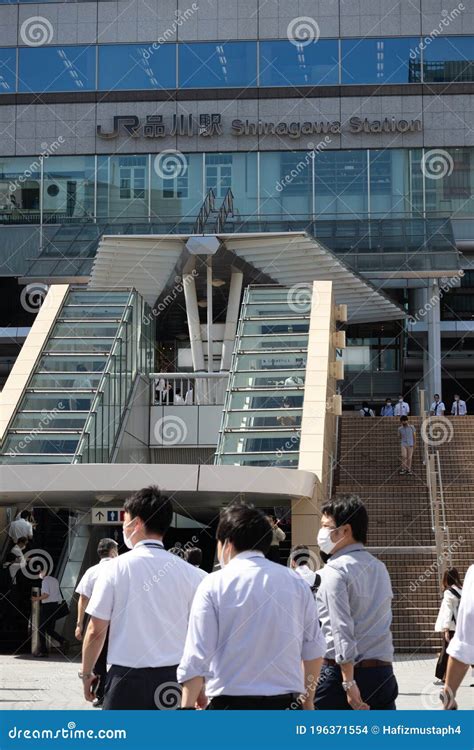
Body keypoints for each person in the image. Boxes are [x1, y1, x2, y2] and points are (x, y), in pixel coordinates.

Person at [178, 503, 326, 710]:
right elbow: (313, 648)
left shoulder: (214, 583)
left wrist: (186, 706)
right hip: (285, 703)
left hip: (229, 705)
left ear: (227, 543)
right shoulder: (296, 583)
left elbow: (197, 653)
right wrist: (308, 701)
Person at [80, 486, 203, 710]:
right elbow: (201, 635)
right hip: (173, 680)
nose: (123, 526)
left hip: (125, 681)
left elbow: (95, 630)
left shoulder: (114, 569)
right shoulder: (193, 575)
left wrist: (86, 673)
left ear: (136, 523)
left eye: (124, 520)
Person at [315, 495, 398, 710]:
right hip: (382, 673)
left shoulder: (333, 572)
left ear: (345, 530)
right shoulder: (380, 567)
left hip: (341, 675)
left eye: (326, 526)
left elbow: (341, 629)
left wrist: (348, 682)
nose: (321, 532)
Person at [75, 538, 119, 707]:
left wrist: (79, 623)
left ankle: (101, 694)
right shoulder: (120, 568)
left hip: (94, 618)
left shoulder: (91, 571)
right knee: (119, 657)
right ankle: (115, 692)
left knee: (99, 659)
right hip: (118, 618)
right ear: (113, 551)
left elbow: (83, 598)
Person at [442, 564, 474, 709]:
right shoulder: (461, 589)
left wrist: (449, 694)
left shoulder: (472, 575)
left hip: (455, 627)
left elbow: (465, 642)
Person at [434, 568, 463, 685]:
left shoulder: (448, 592)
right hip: (463, 626)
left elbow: (448, 611)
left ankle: (443, 677)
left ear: (446, 579)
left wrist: (446, 629)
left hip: (452, 627)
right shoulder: (463, 590)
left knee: (446, 652)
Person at [32, 569, 69, 658]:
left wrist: (36, 599)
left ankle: (43, 651)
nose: (39, 574)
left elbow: (46, 595)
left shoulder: (45, 581)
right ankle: (63, 641)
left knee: (41, 628)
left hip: (47, 607)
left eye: (39, 572)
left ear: (43, 572)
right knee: (49, 629)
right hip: (55, 606)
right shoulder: (55, 580)